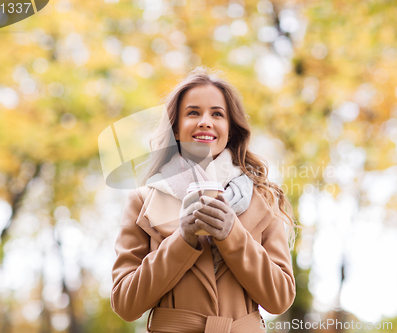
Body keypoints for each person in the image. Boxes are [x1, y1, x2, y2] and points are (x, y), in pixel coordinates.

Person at [111, 67, 296, 333]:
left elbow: (279, 299)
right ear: (176, 129)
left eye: (217, 114)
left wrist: (232, 234)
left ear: (230, 130)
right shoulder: (143, 202)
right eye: (193, 113)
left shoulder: (263, 199)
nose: (205, 121)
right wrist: (182, 240)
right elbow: (125, 304)